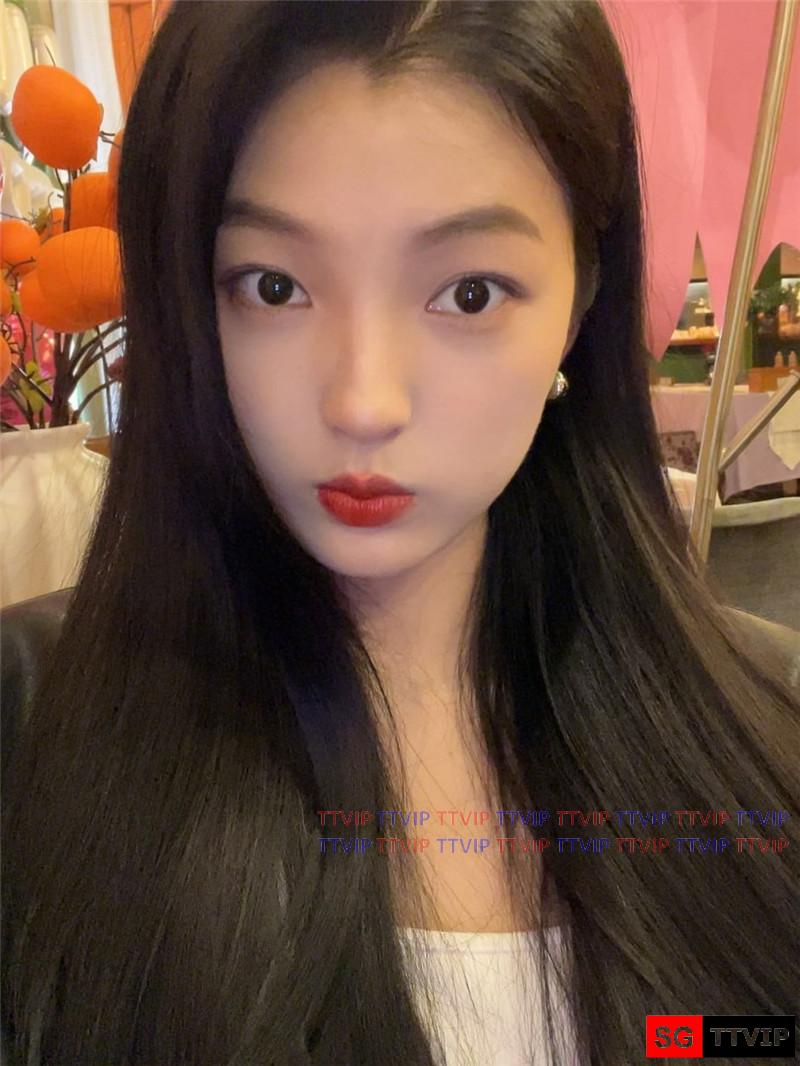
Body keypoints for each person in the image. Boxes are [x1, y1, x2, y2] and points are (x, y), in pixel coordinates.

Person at [2, 2, 798, 1064]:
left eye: (468, 293)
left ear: (578, 303)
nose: (364, 403)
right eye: (274, 287)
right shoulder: (29, 731)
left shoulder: (767, 733)